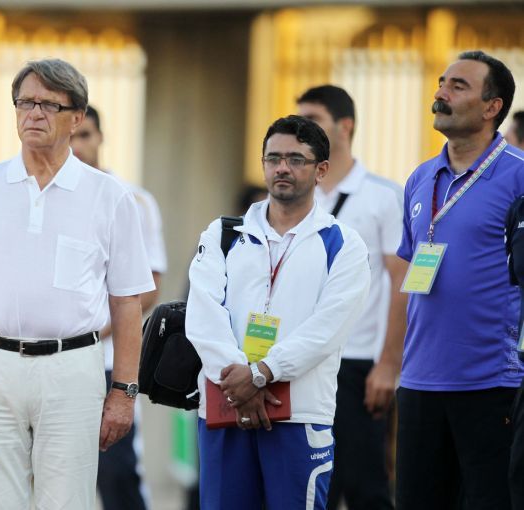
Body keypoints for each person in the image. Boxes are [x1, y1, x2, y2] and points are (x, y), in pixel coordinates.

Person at [0, 59, 155, 509]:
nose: (33, 113)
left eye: (48, 105)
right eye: (25, 103)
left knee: (67, 502)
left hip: (72, 370)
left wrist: (123, 392)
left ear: (77, 117)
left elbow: (127, 301)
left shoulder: (110, 197)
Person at [186, 115, 371, 510]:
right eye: (273, 158)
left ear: (321, 170)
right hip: (225, 406)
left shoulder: (343, 244)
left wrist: (262, 373)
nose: (282, 168)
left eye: (296, 159)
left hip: (299, 414)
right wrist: (240, 382)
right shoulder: (224, 233)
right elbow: (202, 315)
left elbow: (328, 328)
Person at [396, 50, 523, 510]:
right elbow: (408, 270)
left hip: (491, 382)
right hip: (419, 382)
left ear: (493, 107)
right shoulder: (420, 178)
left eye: (458, 86)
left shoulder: (519, 174)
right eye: (441, 82)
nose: (441, 93)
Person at [297, 85, 407, 510]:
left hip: (358, 363)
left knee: (366, 487)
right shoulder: (295, 193)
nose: (303, 128)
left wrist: (388, 364)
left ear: (345, 127)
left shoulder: (383, 195)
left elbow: (401, 281)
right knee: (310, 488)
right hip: (301, 361)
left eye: (313, 118)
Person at [70, 105, 166, 510]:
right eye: (69, 137)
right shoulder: (43, 199)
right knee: (58, 474)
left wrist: (98, 328)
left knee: (117, 472)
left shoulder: (133, 200)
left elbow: (151, 284)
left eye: (84, 135)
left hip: (109, 358)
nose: (76, 146)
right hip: (55, 362)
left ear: (101, 137)